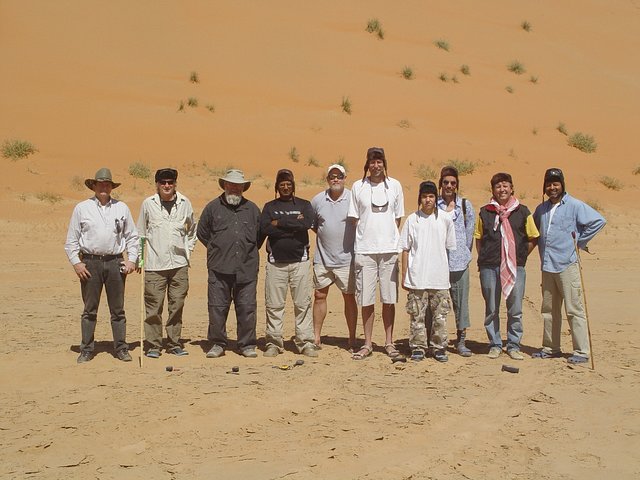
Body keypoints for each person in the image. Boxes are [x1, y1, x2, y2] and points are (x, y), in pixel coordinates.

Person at [532, 168, 606, 364]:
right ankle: (551, 347)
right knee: (549, 310)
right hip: (547, 266)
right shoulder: (541, 209)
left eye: (556, 184)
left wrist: (580, 241)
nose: (552, 187)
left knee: (574, 309)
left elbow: (598, 221)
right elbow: (532, 230)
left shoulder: (574, 205)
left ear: (562, 185)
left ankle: (581, 351)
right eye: (549, 184)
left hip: (567, 264)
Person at [64, 167, 138, 363]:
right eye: (100, 183)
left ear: (111, 187)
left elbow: (132, 236)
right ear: (94, 186)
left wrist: (132, 260)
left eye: (107, 184)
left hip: (115, 262)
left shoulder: (121, 208)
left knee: (118, 310)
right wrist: (77, 263)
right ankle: (87, 348)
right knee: (90, 309)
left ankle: (121, 348)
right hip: (90, 263)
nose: (104, 187)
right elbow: (71, 240)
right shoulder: (82, 208)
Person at [197, 169, 262, 358]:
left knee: (247, 307)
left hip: (246, 268)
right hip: (219, 268)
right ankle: (218, 343)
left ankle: (247, 344)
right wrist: (218, 249)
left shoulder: (252, 209)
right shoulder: (212, 208)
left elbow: (259, 237)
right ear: (224, 185)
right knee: (217, 307)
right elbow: (203, 233)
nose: (234, 188)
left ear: (243, 187)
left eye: (238, 185)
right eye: (231, 184)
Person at [474, 172, 539, 360]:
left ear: (512, 188)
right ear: (493, 190)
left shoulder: (523, 212)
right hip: (489, 266)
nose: (502, 189)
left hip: (515, 267)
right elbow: (478, 238)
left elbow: (533, 237)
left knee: (515, 308)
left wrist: (518, 256)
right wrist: (485, 257)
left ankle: (513, 344)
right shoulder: (485, 212)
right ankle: (494, 344)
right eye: (498, 186)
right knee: (491, 308)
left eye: (505, 186)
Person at [348, 147, 405, 360]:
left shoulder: (395, 186)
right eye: (372, 161)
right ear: (367, 164)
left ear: (384, 163)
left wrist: (387, 237)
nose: (376, 165)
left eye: (379, 161)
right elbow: (355, 218)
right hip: (365, 250)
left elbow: (397, 218)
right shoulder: (358, 187)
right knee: (366, 298)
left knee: (388, 299)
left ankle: (389, 342)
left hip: (389, 250)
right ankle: (368, 343)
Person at [137, 168, 197, 358]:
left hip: (179, 264)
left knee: (176, 305)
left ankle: (174, 343)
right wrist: (140, 258)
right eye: (163, 182)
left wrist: (188, 251)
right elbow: (140, 233)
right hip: (155, 264)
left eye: (170, 182)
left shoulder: (185, 203)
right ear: (157, 184)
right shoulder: (148, 204)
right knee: (154, 307)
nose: (167, 186)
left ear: (175, 184)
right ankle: (154, 345)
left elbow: (192, 230)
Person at [260, 169, 317, 358]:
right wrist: (292, 222)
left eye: (289, 184)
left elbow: (307, 223)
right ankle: (274, 343)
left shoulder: (304, 205)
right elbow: (266, 227)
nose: (285, 187)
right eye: (282, 184)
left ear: (293, 186)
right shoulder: (269, 206)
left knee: (303, 304)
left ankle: (305, 342)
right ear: (277, 186)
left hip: (300, 262)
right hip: (276, 263)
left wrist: (280, 222)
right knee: (274, 305)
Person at [401, 181, 457, 362]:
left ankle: (439, 347)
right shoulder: (412, 219)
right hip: (417, 276)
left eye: (431, 196)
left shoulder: (445, 219)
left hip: (439, 277)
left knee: (440, 316)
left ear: (436, 198)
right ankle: (418, 347)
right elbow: (405, 249)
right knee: (417, 315)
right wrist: (404, 275)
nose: (428, 200)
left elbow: (449, 247)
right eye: (424, 196)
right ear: (420, 198)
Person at [311, 164, 358, 351]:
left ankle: (352, 338)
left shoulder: (352, 199)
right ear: (327, 179)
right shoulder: (318, 200)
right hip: (322, 259)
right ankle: (316, 337)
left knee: (349, 297)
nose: (335, 179)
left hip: (346, 260)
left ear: (345, 178)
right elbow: (314, 225)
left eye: (339, 176)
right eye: (332, 176)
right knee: (319, 295)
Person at [437, 166, 475, 357]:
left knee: (461, 304)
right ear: (440, 184)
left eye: (453, 183)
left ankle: (461, 340)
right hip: (438, 263)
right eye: (446, 182)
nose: (449, 186)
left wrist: (464, 254)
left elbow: (470, 235)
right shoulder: (433, 205)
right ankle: (438, 340)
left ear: (457, 185)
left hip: (460, 263)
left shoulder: (466, 206)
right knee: (438, 305)